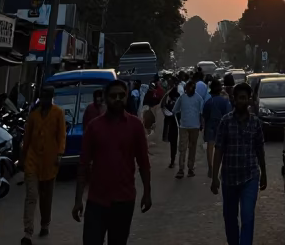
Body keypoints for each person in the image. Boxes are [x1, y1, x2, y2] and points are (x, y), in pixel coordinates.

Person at [74, 78, 151, 245]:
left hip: (124, 200)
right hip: (97, 200)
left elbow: (143, 161)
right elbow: (83, 164)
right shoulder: (94, 127)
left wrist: (147, 192)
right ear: (106, 98)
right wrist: (78, 200)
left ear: (126, 97)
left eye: (121, 96)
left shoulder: (135, 126)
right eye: (113, 96)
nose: (118, 99)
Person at [211, 82, 267, 245]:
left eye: (245, 98)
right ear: (234, 100)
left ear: (249, 100)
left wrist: (264, 174)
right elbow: (219, 150)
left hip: (250, 177)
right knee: (230, 218)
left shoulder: (255, 123)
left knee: (248, 217)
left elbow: (260, 150)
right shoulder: (226, 122)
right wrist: (215, 177)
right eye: (239, 98)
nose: (242, 101)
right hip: (229, 179)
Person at [20, 83, 66, 245]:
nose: (45, 100)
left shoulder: (58, 113)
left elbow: (61, 135)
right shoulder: (34, 114)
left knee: (46, 198)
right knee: (31, 196)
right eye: (43, 97)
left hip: (50, 161)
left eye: (48, 97)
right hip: (32, 160)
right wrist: (23, 157)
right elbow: (27, 137)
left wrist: (60, 154)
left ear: (51, 98)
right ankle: (28, 233)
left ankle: (45, 224)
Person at [172, 80, 203, 178]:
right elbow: (175, 110)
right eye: (189, 88)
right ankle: (182, 169)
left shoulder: (198, 98)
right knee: (183, 148)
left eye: (192, 88)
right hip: (185, 127)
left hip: (193, 127)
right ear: (185, 89)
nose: (190, 90)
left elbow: (201, 113)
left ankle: (189, 168)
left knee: (190, 148)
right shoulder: (182, 98)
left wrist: (201, 123)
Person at [202, 79, 232, 178]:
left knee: (210, 148)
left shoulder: (208, 102)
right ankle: (222, 168)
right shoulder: (225, 101)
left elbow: (205, 116)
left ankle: (211, 168)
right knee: (222, 148)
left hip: (210, 125)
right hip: (222, 126)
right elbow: (229, 115)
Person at [161, 81, 180, 170]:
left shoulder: (169, 104)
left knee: (173, 145)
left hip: (172, 127)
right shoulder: (180, 102)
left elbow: (162, 106)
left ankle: (173, 161)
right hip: (180, 126)